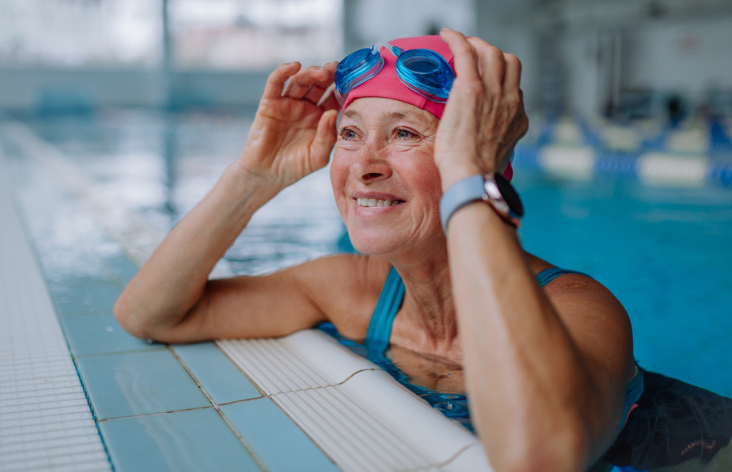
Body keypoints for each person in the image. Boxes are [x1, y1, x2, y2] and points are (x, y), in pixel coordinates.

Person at [114, 29, 641, 471]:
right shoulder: (354, 290)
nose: (365, 165)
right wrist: (254, 178)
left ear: (482, 162)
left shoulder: (576, 307)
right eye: (350, 133)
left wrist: (468, 178)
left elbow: (542, 455)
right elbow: (150, 315)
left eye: (405, 133)